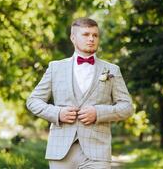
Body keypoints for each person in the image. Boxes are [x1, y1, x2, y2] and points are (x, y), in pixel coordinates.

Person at [26, 17, 134, 169]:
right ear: (73, 38)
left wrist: (98, 113)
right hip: (61, 151)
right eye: (86, 34)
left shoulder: (111, 70)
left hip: (98, 152)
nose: (91, 39)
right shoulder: (55, 68)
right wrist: (57, 113)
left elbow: (127, 107)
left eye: (95, 35)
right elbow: (33, 101)